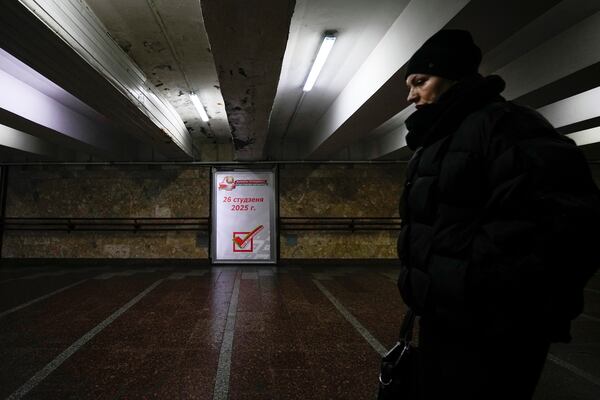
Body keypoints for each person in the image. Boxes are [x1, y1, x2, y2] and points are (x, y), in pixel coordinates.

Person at [396, 29, 600, 399]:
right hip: (444, 317)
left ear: (453, 75)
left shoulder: (509, 128)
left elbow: (569, 224)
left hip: (492, 326)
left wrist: (477, 285)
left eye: (420, 81)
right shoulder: (438, 141)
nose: (411, 95)